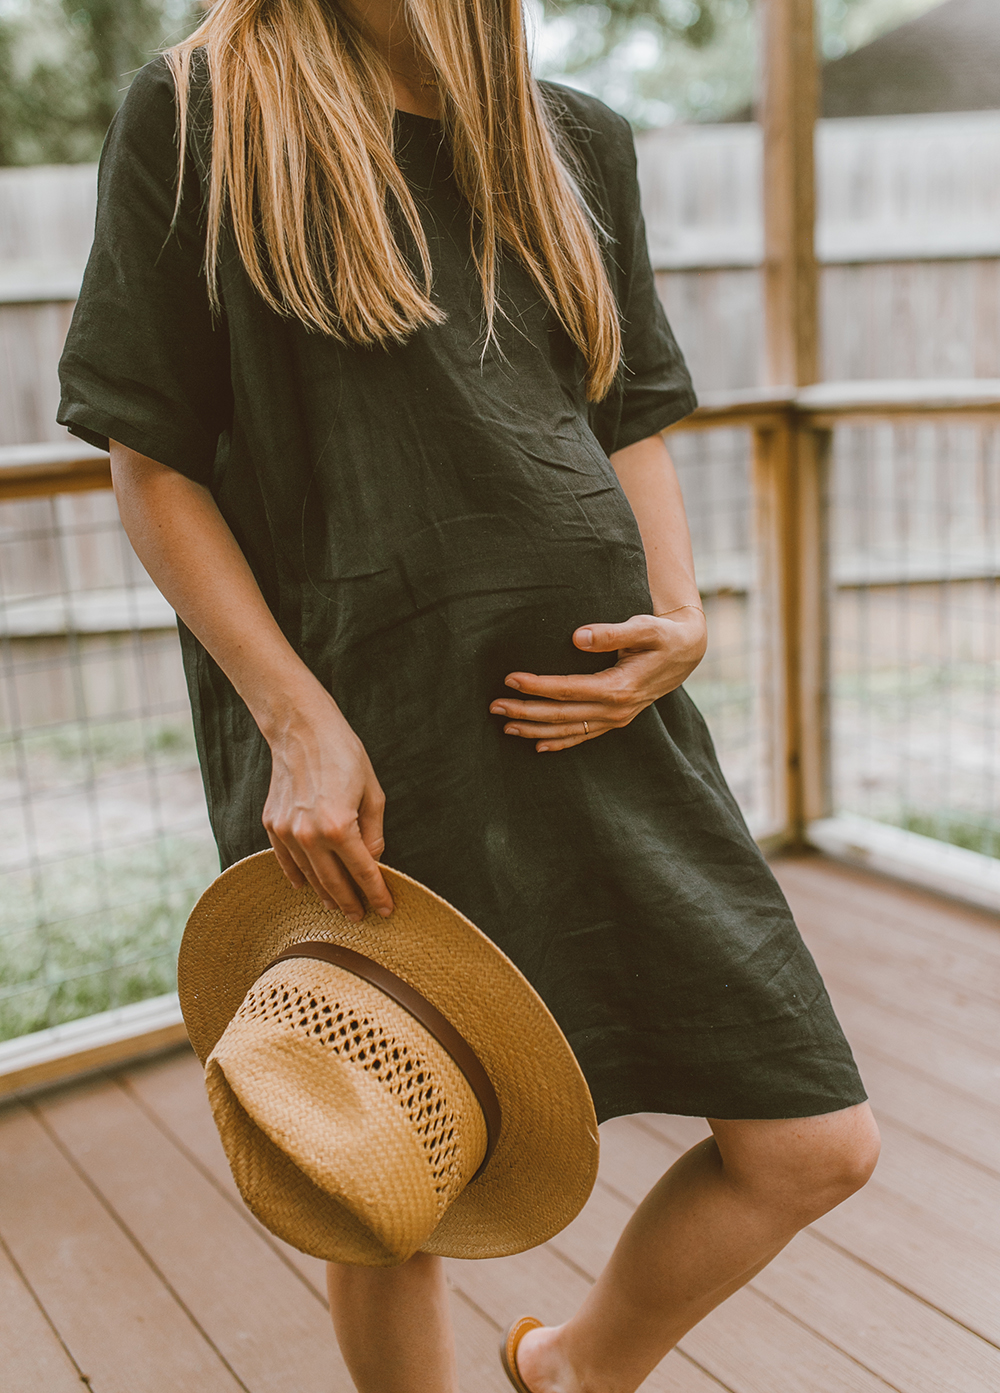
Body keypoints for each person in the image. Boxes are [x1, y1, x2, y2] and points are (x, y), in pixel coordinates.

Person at [57, 0, 880, 1389]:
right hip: (370, 742)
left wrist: (679, 616)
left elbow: (626, 410)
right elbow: (152, 463)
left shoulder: (572, 142)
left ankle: (571, 1368)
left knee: (814, 1143)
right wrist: (298, 723)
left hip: (605, 729)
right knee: (382, 1173)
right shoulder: (202, 115)